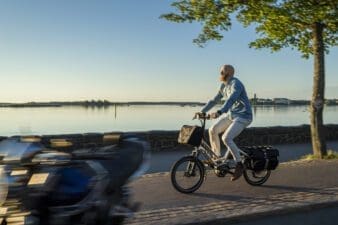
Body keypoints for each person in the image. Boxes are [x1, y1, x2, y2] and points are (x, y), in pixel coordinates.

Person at [200, 64, 252, 181]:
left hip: (243, 116)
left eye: (222, 72)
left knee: (226, 138)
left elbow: (231, 99)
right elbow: (214, 100)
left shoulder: (236, 84)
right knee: (213, 130)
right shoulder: (223, 86)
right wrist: (202, 111)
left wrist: (219, 112)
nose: (220, 74)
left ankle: (239, 164)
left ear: (228, 72)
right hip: (231, 115)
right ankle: (218, 159)